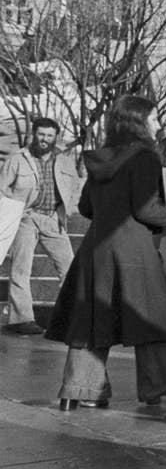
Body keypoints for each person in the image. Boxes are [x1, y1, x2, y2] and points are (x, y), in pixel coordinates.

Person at [46, 94, 166, 408]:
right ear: (138, 122)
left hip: (96, 247)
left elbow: (86, 206)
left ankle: (80, 391)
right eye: (153, 118)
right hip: (133, 248)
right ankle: (164, 384)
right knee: (152, 316)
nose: (158, 125)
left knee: (91, 318)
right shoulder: (144, 157)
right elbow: (147, 210)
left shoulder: (102, 158)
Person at [2, 117, 84, 335]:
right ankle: (21, 320)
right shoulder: (18, 159)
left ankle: (71, 317)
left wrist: (69, 209)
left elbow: (75, 187)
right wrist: (15, 210)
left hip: (53, 219)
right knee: (21, 268)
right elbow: (2, 189)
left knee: (70, 267)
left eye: (49, 135)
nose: (44, 139)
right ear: (33, 134)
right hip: (26, 218)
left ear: (55, 137)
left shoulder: (65, 161)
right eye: (41, 134)